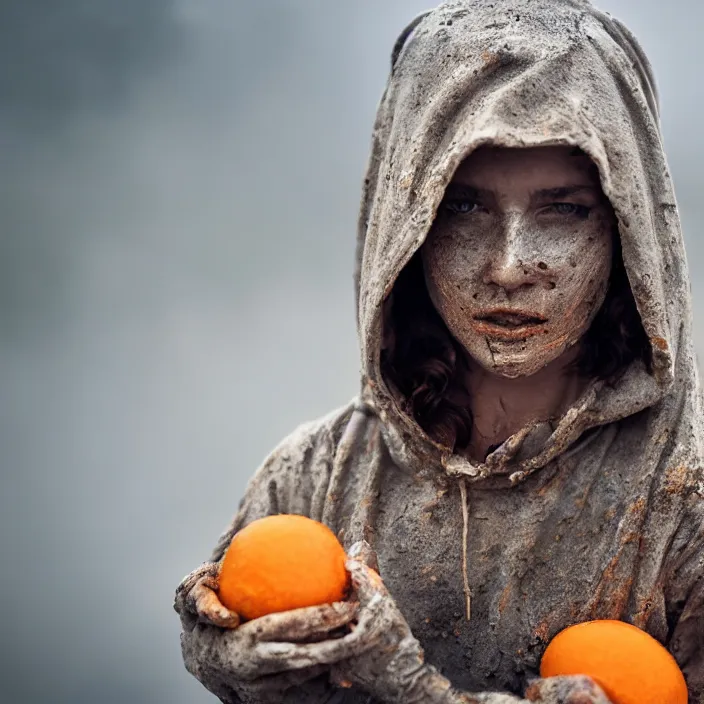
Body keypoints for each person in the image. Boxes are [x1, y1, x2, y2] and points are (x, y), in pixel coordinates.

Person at [174, 1, 704, 702]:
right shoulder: (314, 479)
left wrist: (405, 685)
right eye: (463, 207)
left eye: (564, 208)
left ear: (626, 228)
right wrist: (228, 659)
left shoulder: (685, 504)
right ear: (407, 226)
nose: (511, 266)